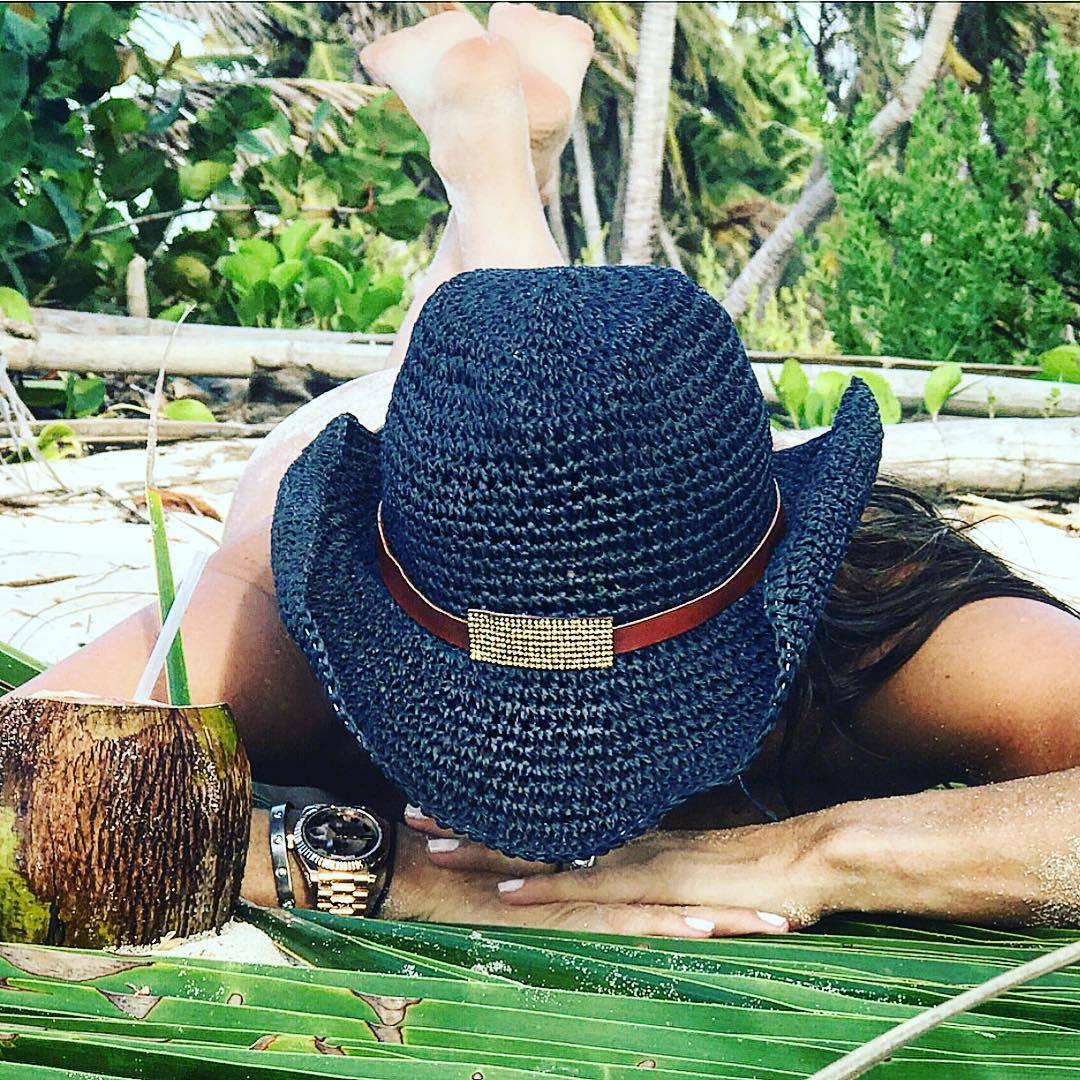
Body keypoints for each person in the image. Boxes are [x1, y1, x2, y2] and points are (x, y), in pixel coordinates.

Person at [10, 6, 1080, 938]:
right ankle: (494, 171)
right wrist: (386, 872)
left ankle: (493, 166)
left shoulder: (874, 624)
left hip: (599, 472)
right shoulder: (291, 614)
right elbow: (20, 797)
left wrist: (815, 854)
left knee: (549, 423)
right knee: (494, 411)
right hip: (370, 445)